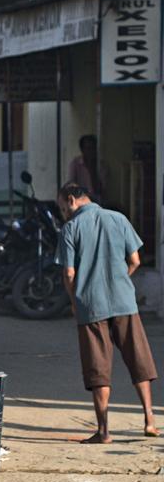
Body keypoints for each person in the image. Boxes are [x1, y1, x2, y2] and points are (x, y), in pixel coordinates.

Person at [55, 181, 158, 443]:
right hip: (124, 301)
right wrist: (120, 279)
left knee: (98, 367)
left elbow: (69, 273)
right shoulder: (118, 218)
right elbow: (135, 260)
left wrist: (74, 300)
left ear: (71, 200)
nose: (63, 213)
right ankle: (149, 420)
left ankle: (103, 432)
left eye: (62, 208)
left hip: (91, 305)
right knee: (139, 359)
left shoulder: (71, 228)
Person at [67, 134, 106, 203]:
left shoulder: (101, 165)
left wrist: (92, 170)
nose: (91, 152)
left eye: (93, 148)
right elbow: (72, 186)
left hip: (97, 201)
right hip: (80, 200)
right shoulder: (75, 164)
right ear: (82, 150)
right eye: (88, 148)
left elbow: (102, 190)